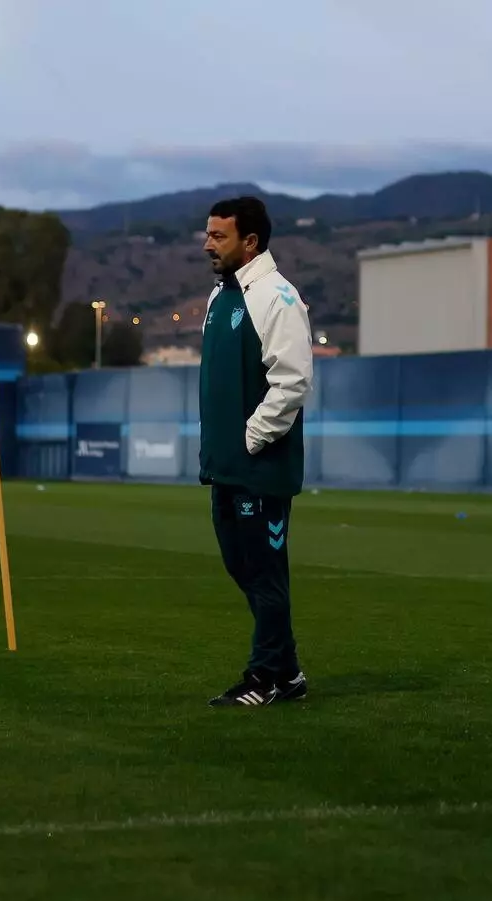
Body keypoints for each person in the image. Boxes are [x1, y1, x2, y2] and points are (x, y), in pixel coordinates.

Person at [197, 195, 314, 707]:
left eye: (218, 236)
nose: (207, 245)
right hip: (225, 467)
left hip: (261, 468)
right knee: (241, 566)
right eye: (208, 234)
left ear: (250, 241)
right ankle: (287, 673)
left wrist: (251, 438)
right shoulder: (219, 296)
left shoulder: (277, 297)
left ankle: (265, 676)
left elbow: (292, 382)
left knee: (265, 575)